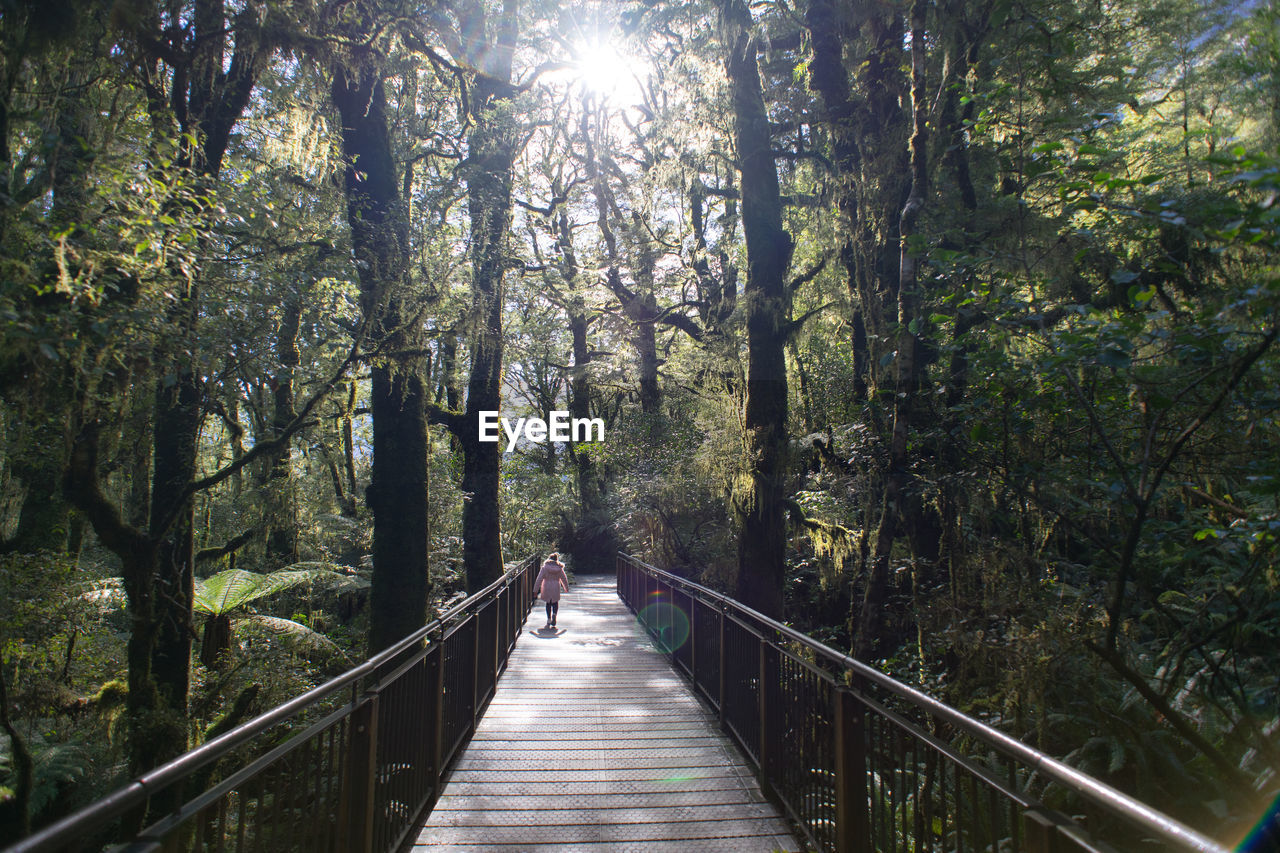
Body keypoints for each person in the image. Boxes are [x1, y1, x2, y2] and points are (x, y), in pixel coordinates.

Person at [533, 552, 569, 628]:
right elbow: (564, 578)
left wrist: (535, 590)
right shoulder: (559, 568)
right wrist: (566, 588)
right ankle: (554, 614)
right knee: (555, 602)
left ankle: (549, 618)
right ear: (556, 559)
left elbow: (539, 579)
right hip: (556, 586)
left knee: (548, 603)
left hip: (546, 586)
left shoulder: (545, 568)